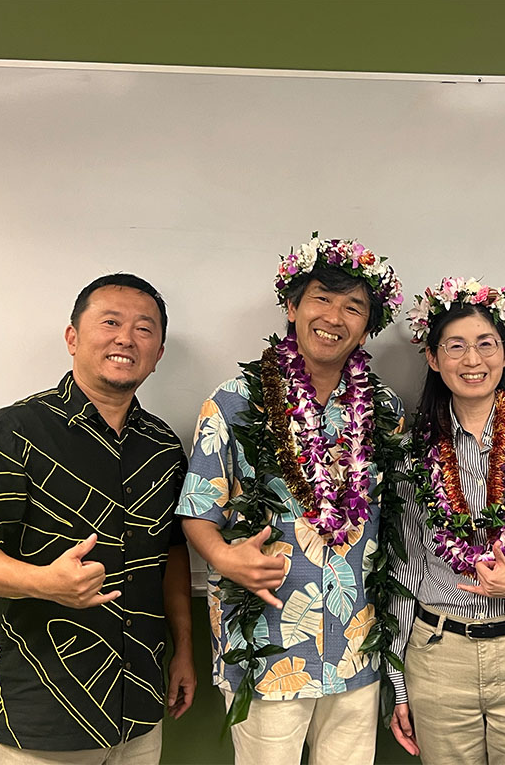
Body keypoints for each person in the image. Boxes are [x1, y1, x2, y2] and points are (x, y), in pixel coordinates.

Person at [0, 273, 195, 764]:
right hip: (43, 713)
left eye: (145, 329)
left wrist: (183, 647)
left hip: (140, 707)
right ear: (73, 337)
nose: (125, 338)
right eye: (110, 322)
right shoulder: (13, 431)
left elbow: (173, 553)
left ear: (158, 354)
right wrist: (44, 582)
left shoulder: (162, 446)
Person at [177, 233, 405, 765]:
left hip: (355, 647)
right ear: (292, 306)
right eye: (322, 298)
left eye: (354, 306)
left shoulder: (384, 408)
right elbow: (196, 509)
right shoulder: (235, 400)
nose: (335, 316)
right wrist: (223, 555)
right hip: (266, 644)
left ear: (367, 326)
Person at [387, 277, 505, 765]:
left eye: (485, 344)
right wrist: (399, 685)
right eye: (455, 346)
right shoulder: (412, 454)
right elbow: (404, 569)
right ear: (433, 358)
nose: (472, 360)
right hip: (438, 656)